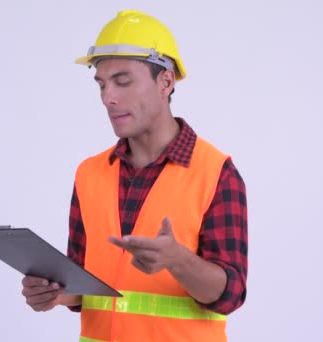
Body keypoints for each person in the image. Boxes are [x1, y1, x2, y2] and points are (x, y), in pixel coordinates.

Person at [21, 9, 248, 342]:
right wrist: (54, 293)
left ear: (165, 82)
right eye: (101, 84)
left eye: (123, 81)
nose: (108, 98)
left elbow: (231, 295)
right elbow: (84, 286)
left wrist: (178, 260)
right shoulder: (89, 173)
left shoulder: (216, 173)